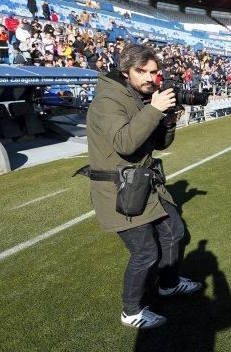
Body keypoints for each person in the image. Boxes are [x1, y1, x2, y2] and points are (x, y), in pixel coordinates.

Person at [84, 44, 201, 329]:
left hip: (145, 184)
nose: (151, 78)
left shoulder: (138, 96)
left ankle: (169, 284)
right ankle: (131, 311)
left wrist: (168, 119)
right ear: (126, 72)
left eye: (155, 72)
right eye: (143, 72)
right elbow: (125, 142)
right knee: (146, 253)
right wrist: (155, 110)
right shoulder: (107, 101)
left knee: (175, 232)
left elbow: (158, 143)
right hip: (120, 190)